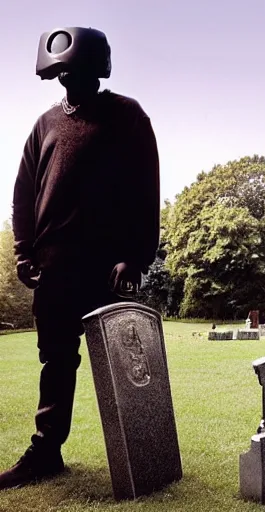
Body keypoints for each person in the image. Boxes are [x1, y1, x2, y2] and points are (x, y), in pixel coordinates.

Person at [0, 27, 160, 489]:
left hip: (109, 269)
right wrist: (23, 251)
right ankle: (46, 453)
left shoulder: (127, 116)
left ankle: (145, 454)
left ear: (98, 69)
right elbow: (24, 192)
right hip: (54, 268)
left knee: (129, 364)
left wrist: (137, 257)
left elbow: (145, 189)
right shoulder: (45, 124)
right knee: (56, 362)